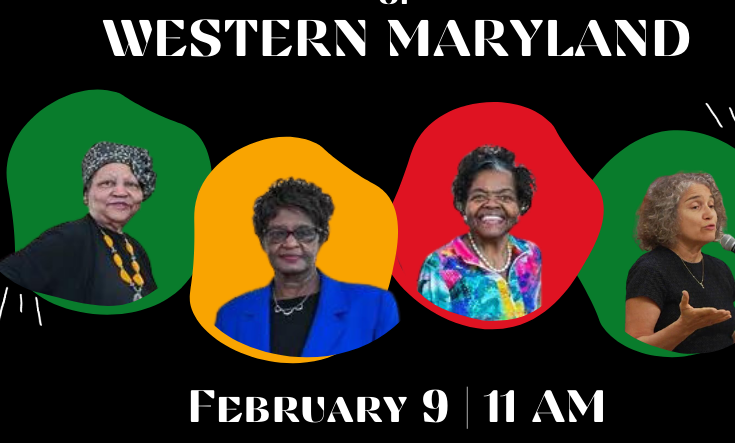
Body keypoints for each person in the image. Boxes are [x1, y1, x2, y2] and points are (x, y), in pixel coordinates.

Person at [215, 178, 399, 356]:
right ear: (263, 240)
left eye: (304, 233)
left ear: (322, 237)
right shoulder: (231, 316)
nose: (290, 243)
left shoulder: (375, 307)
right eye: (277, 233)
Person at [0, 141, 158, 305]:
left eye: (131, 184)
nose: (121, 192)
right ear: (86, 195)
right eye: (107, 183)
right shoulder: (68, 238)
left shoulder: (136, 250)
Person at [625, 172, 735, 353]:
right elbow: (635, 345)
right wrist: (684, 327)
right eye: (695, 206)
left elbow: (721, 339)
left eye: (711, 205)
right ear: (667, 217)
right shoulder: (650, 269)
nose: (710, 214)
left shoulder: (720, 268)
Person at [418, 145, 541, 320]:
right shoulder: (440, 266)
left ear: (520, 205)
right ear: (462, 205)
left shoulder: (531, 254)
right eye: (479, 196)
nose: (491, 204)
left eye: (505, 197)